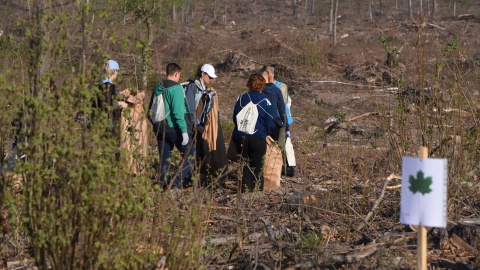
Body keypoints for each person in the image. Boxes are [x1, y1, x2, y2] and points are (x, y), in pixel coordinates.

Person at [148, 63, 194, 193]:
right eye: (179, 75)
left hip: (159, 127)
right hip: (173, 128)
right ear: (176, 74)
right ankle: (175, 183)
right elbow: (178, 113)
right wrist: (184, 132)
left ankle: (162, 185)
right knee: (191, 155)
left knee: (164, 157)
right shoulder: (176, 88)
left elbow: (150, 109)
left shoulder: (158, 87)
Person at [232, 73, 275, 192]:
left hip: (241, 137)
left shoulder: (240, 98)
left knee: (246, 166)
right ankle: (256, 196)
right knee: (258, 169)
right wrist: (267, 132)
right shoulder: (266, 101)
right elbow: (270, 122)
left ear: (249, 84)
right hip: (258, 138)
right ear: (262, 86)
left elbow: (235, 118)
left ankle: (245, 193)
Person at [184, 64, 227, 181]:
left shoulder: (203, 88)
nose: (211, 79)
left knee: (197, 153)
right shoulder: (193, 86)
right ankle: (184, 178)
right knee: (190, 154)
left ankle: (191, 177)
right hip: (190, 126)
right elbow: (190, 108)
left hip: (198, 126)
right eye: (209, 77)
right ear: (203, 74)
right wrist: (196, 125)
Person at [260, 66, 286, 142]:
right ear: (272, 76)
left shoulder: (258, 90)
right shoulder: (277, 90)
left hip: (261, 124)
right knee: (276, 150)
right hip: (274, 123)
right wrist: (286, 127)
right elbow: (282, 111)